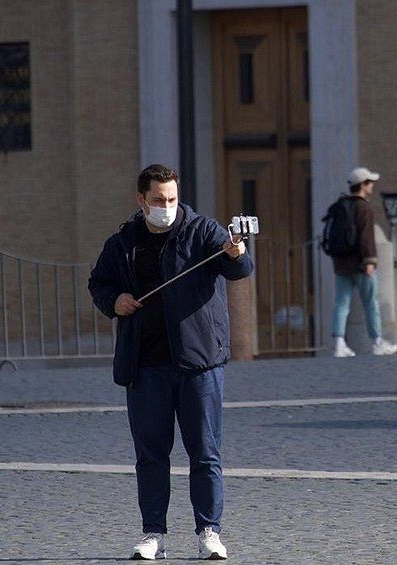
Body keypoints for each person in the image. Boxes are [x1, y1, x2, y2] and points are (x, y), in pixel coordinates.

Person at [88, 164, 253, 560]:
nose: (166, 206)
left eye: (172, 199)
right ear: (141, 200)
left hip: (199, 362)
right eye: (158, 200)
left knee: (205, 452)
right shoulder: (123, 241)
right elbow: (99, 283)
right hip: (144, 364)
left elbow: (238, 268)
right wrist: (115, 301)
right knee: (150, 455)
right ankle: (153, 534)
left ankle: (209, 531)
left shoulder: (204, 231)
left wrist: (237, 250)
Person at [330, 167, 397, 357]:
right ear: (363, 185)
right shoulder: (364, 207)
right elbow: (366, 238)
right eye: (370, 182)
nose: (373, 186)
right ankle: (377, 342)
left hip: (341, 264)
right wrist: (370, 261)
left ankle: (338, 342)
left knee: (341, 304)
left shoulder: (341, 206)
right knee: (371, 304)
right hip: (361, 265)